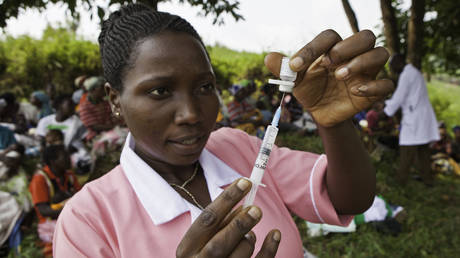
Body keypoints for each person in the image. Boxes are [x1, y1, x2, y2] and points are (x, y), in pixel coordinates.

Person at [53, 4, 393, 257]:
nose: (191, 114)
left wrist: (332, 124)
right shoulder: (88, 220)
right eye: (160, 91)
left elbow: (350, 199)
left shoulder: (237, 148)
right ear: (115, 100)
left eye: (204, 87)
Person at [383, 54, 440, 185]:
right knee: (423, 150)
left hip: (415, 118)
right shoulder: (414, 72)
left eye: (392, 65)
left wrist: (385, 112)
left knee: (406, 149)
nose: (392, 69)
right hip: (421, 116)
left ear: (399, 63)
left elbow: (399, 97)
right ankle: (428, 179)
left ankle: (400, 181)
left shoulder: (407, 75)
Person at [29, 144, 81, 256]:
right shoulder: (40, 179)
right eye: (65, 157)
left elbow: (80, 197)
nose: (69, 159)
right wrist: (70, 210)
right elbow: (43, 210)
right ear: (53, 162)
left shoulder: (69, 175)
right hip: (49, 223)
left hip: (69, 215)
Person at [79, 76, 116, 140]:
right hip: (96, 137)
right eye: (101, 87)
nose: (104, 90)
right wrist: (115, 127)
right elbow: (94, 127)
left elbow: (114, 115)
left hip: (112, 132)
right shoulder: (84, 107)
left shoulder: (105, 103)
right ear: (93, 89)